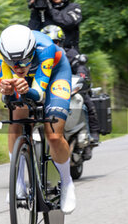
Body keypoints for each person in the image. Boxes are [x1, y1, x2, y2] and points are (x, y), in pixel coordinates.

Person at [0, 24, 76, 214]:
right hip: (25, 83)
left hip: (55, 74)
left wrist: (26, 89)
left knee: (54, 134)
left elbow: (37, 94)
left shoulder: (46, 47)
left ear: (31, 51)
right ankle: (18, 182)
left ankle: (67, 181)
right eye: (12, 63)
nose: (18, 66)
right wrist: (7, 92)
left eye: (23, 60)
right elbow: (10, 96)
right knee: (16, 121)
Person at [28, 0, 100, 152]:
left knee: (83, 89)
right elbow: (31, 31)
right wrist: (36, 10)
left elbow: (66, 22)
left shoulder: (74, 8)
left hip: (70, 54)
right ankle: (29, 132)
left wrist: (49, 7)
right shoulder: (43, 10)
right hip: (47, 55)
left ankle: (94, 132)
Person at [41, 24, 100, 160]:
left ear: (60, 42)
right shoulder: (40, 56)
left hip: (72, 89)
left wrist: (81, 77)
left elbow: (81, 68)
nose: (52, 44)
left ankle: (92, 133)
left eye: (55, 41)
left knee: (85, 101)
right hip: (48, 92)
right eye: (49, 42)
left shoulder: (71, 54)